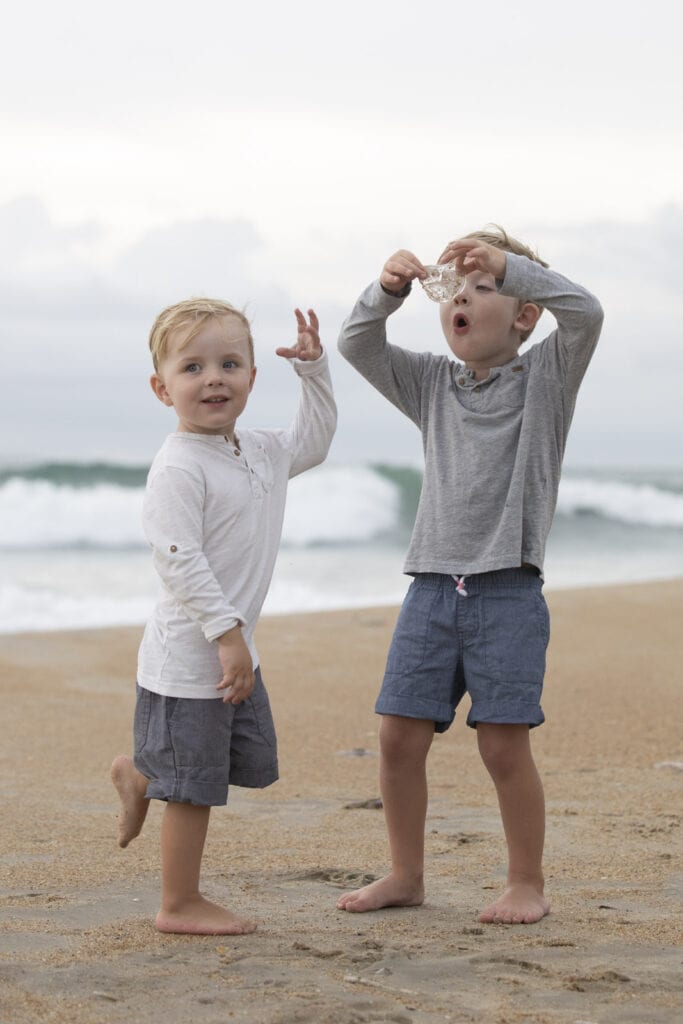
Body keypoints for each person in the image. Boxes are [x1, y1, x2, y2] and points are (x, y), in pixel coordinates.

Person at [336, 225, 603, 924]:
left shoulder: (546, 377)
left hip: (506, 589)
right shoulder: (430, 384)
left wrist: (511, 265)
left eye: (483, 287)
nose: (463, 298)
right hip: (429, 586)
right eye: (453, 289)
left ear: (523, 313)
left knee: (500, 745)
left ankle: (525, 882)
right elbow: (357, 343)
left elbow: (586, 311)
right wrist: (388, 291)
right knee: (397, 735)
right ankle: (404, 874)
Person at [111, 298, 336, 935]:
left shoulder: (259, 450)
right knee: (195, 789)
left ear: (252, 378)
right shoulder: (178, 466)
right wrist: (228, 634)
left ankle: (142, 772)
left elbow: (313, 442)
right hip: (193, 657)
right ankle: (178, 902)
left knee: (217, 767)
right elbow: (178, 559)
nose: (214, 377)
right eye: (193, 367)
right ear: (163, 388)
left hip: (232, 650)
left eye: (230, 363)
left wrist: (315, 371)